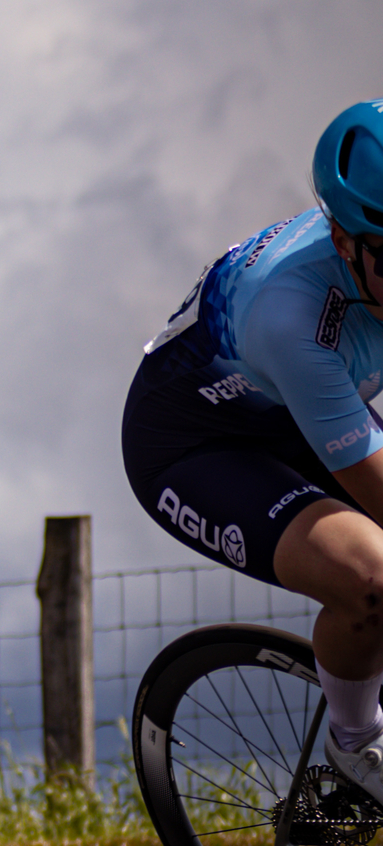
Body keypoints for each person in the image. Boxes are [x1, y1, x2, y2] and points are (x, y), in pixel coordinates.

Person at [123, 97, 383, 795]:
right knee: (370, 579)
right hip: (195, 445)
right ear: (344, 240)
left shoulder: (363, 266)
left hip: (304, 412)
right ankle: (353, 757)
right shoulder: (289, 315)